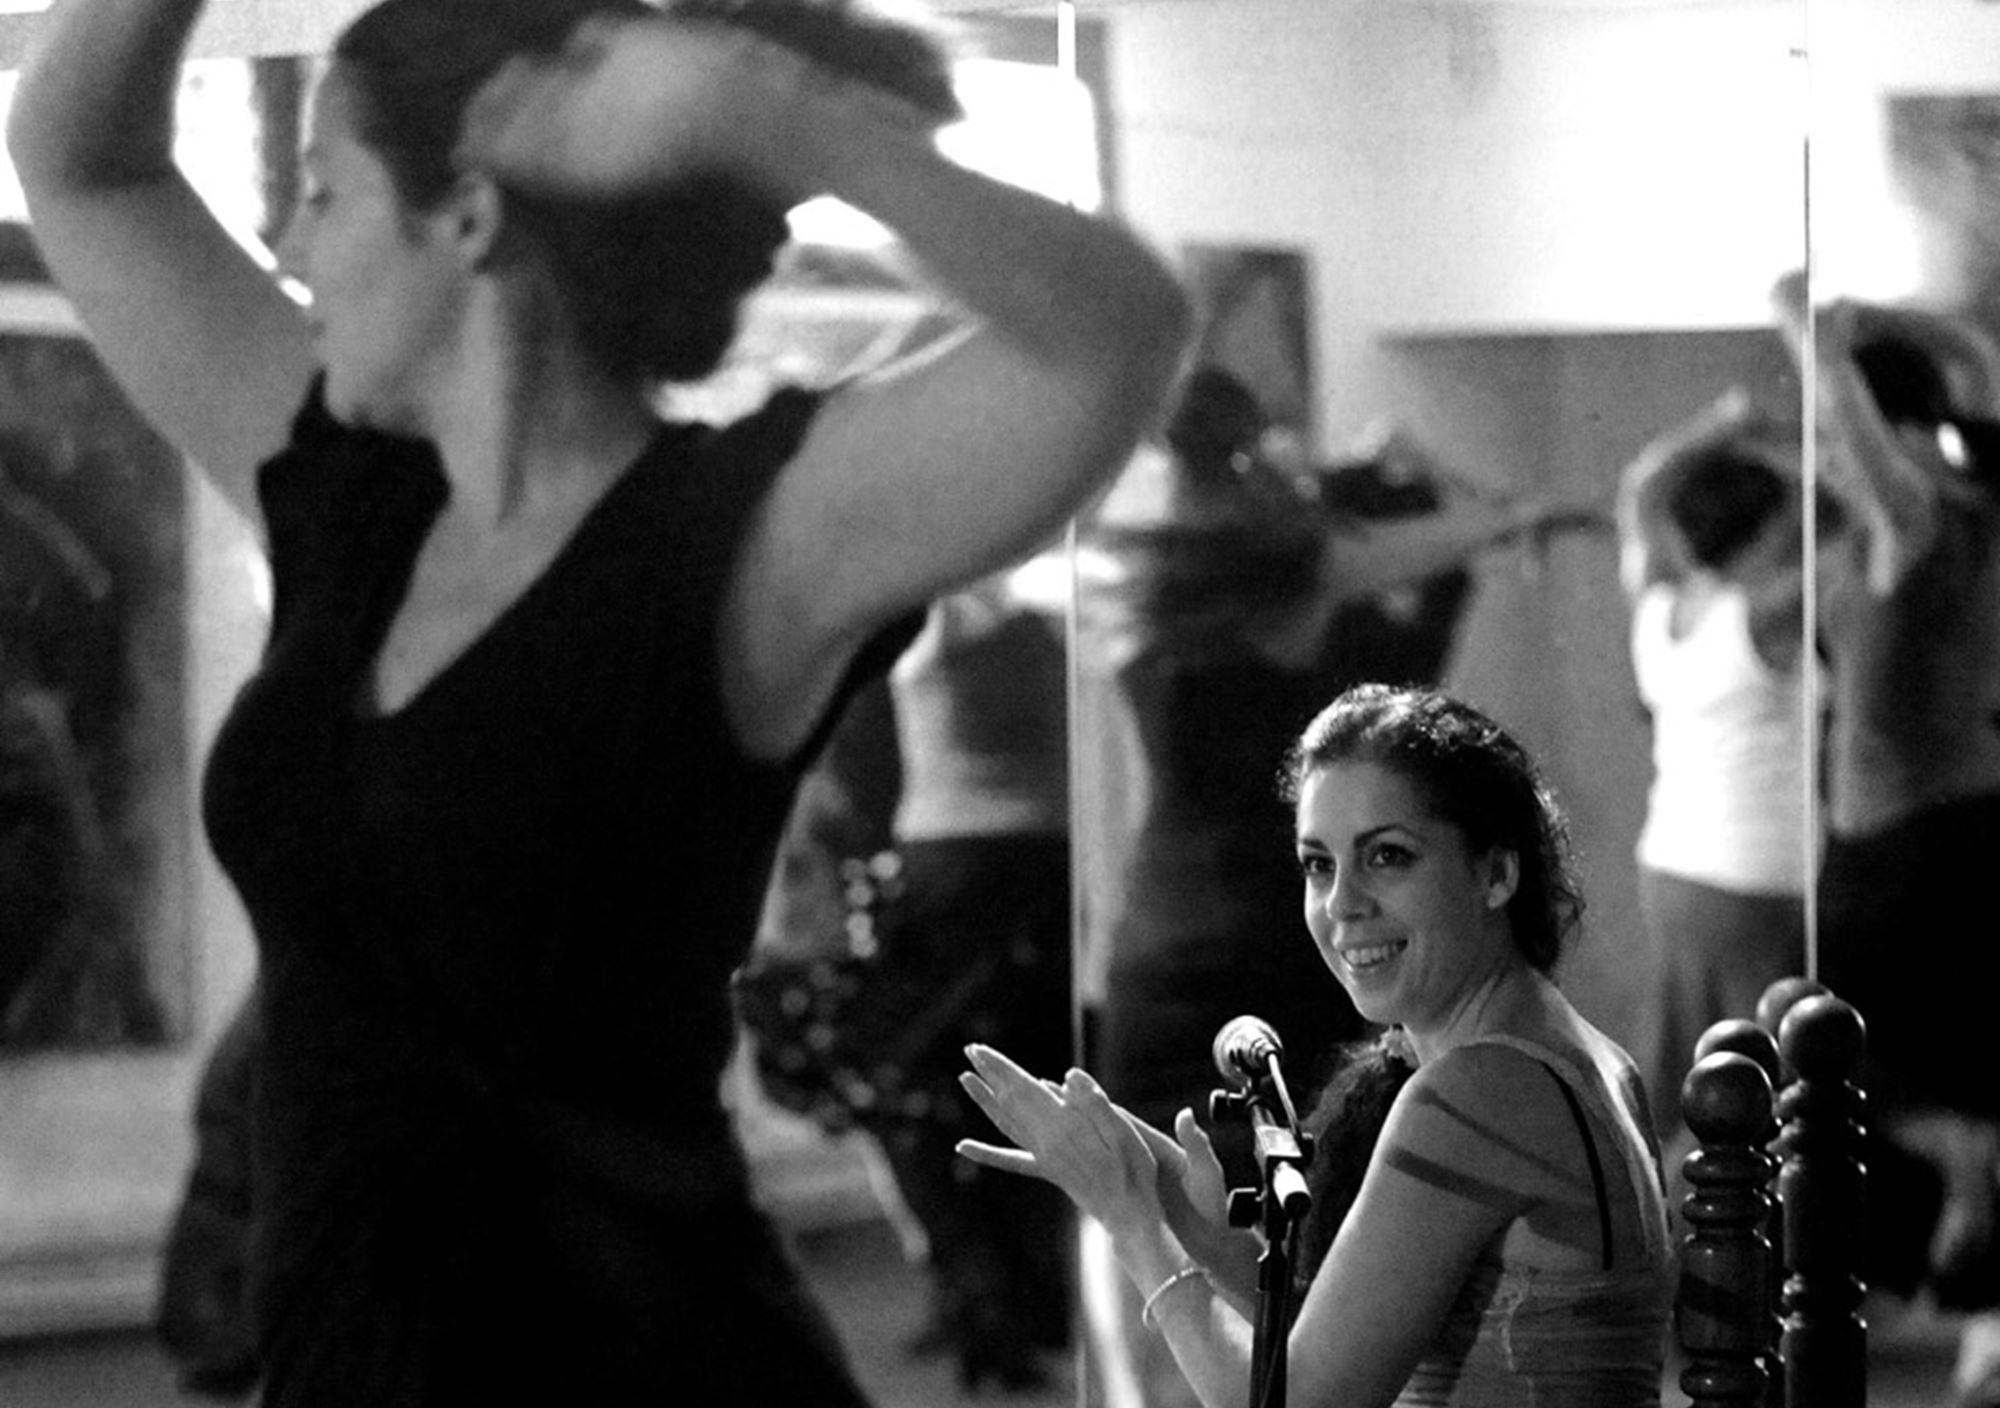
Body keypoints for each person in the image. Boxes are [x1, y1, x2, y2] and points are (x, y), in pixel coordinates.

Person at [5, 0, 1188, 1401]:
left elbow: (1114, 338)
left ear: (467, 218)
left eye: (320, 192)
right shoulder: (348, 499)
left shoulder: (739, 544)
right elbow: (82, 160)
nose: (288, 248)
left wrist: (775, 119)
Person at [962, 683, 1673, 1408]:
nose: (1343, 904)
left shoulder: (1480, 1095)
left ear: (1497, 872)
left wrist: (1132, 1226)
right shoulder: (1562, 1053)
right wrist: (1179, 1211)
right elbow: (1353, 1339)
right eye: (1319, 865)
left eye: (1388, 857)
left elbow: (1292, 1402)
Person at [1770, 90, 2000, 1408]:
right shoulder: (1880, 537)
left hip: (1929, 838)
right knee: (1888, 1062)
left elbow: (1890, 444)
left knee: (1900, 1061)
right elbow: (1953, 384)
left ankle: (1970, 1218)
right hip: (1885, 836)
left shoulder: (1935, 524)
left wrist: (1809, 333)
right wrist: (1882, 336)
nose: (1832, 454)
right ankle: (1966, 1208)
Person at [1613, 389, 1820, 1182]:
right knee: (1768, 1095)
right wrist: (1786, 453)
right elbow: (1854, 516)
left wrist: (1722, 424)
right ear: (1761, 530)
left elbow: (1641, 488)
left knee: (1689, 1087)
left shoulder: (1660, 603)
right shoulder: (1761, 617)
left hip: (1674, 872)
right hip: (1751, 884)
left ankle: (1667, 1244)